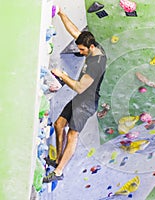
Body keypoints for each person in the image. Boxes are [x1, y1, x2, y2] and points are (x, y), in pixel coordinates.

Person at [43, 8, 107, 183]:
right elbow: (76, 32)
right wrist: (62, 14)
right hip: (82, 99)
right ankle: (57, 159)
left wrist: (62, 74)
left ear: (90, 48)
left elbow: (79, 87)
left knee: (72, 134)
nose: (81, 52)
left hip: (87, 103)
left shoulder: (96, 64)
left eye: (82, 50)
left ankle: (58, 171)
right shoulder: (93, 45)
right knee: (58, 124)